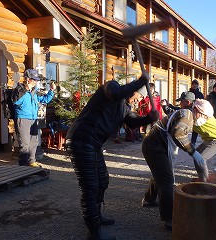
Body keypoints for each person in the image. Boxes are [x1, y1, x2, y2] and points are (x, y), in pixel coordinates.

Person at [65, 74, 159, 240]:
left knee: (103, 181)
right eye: (139, 96)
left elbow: (131, 122)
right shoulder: (110, 87)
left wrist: (148, 119)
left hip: (94, 145)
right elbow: (116, 93)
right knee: (90, 187)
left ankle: (98, 216)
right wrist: (139, 82)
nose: (139, 101)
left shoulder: (124, 107)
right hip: (81, 140)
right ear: (133, 91)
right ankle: (93, 232)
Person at [141, 108, 205, 230]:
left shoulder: (188, 114)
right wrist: (193, 152)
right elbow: (178, 133)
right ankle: (169, 219)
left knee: (160, 174)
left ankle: (149, 200)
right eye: (205, 117)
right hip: (154, 147)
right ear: (198, 111)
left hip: (156, 144)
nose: (205, 120)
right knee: (167, 181)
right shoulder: (187, 117)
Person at [11, 69, 56, 167]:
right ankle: (23, 165)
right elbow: (16, 102)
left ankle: (31, 161)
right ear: (27, 79)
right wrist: (26, 89)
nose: (35, 82)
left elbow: (44, 100)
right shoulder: (19, 89)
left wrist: (51, 91)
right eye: (33, 79)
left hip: (33, 118)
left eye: (36, 80)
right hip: (23, 118)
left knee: (34, 142)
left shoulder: (34, 92)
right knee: (25, 144)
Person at [192, 99, 216, 181]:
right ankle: (202, 177)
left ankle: (204, 183)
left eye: (206, 116)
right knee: (196, 155)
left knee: (200, 158)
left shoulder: (204, 116)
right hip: (210, 139)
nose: (205, 117)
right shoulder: (194, 114)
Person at [189, 80, 204, 145]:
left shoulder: (200, 94)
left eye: (196, 84)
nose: (194, 85)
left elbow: (202, 103)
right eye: (193, 84)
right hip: (189, 111)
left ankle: (193, 142)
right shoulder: (188, 93)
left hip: (197, 112)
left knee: (196, 127)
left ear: (197, 85)